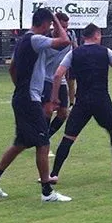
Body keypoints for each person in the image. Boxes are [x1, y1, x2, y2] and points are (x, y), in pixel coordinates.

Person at [0, 8, 71, 202]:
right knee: (43, 142)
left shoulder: (23, 41)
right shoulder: (35, 39)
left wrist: (22, 87)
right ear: (46, 23)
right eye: (50, 24)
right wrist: (55, 18)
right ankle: (47, 192)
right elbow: (65, 41)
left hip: (23, 96)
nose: (51, 28)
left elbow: (12, 67)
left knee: (20, 143)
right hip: (29, 99)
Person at [48, 23, 112, 183]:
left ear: (84, 37)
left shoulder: (74, 53)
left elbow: (58, 75)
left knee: (68, 138)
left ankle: (54, 174)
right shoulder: (106, 52)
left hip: (82, 101)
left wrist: (54, 97)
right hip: (102, 100)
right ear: (97, 35)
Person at [42, 12, 75, 143]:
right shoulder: (45, 39)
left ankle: (45, 137)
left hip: (59, 79)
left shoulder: (70, 36)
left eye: (66, 27)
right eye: (62, 27)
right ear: (54, 25)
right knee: (48, 110)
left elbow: (75, 51)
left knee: (63, 113)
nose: (64, 30)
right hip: (45, 78)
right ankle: (44, 142)